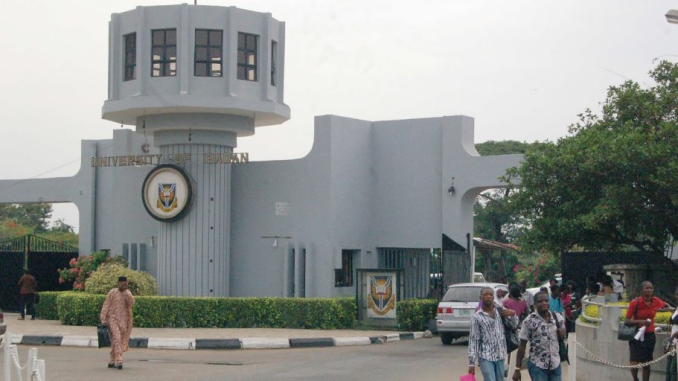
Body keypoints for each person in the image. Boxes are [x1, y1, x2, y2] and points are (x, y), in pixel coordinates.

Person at [624, 281, 674, 381]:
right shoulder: (635, 303)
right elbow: (627, 321)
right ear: (642, 290)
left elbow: (665, 305)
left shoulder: (656, 301)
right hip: (636, 335)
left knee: (646, 362)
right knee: (634, 361)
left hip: (649, 335)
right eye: (647, 288)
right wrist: (641, 321)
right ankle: (635, 379)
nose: (649, 290)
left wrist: (670, 309)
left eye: (651, 288)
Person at [512, 291, 567, 381]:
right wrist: (517, 368)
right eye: (540, 301)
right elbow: (522, 345)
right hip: (537, 366)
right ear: (534, 304)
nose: (544, 303)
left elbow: (563, 330)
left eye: (546, 300)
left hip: (555, 364)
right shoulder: (529, 321)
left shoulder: (557, 317)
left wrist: (562, 331)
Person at [468, 287, 517, 381]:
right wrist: (471, 363)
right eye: (485, 295)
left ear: (493, 297)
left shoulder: (500, 311)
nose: (488, 297)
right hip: (486, 357)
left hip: (501, 354)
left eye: (490, 295)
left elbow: (514, 325)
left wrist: (513, 314)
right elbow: (474, 340)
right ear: (480, 298)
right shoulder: (477, 317)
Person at [100, 276, 135, 370]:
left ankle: (112, 360)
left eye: (124, 284)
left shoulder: (127, 293)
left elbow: (132, 303)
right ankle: (119, 359)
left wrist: (126, 292)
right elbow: (106, 305)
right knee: (116, 337)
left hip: (124, 320)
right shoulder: (112, 292)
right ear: (118, 283)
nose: (122, 285)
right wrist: (103, 318)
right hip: (112, 319)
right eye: (121, 283)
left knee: (117, 340)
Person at [666, 285, 678, 381]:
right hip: (672, 341)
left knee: (673, 368)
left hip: (676, 341)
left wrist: (673, 337)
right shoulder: (676, 308)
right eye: (677, 294)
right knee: (668, 367)